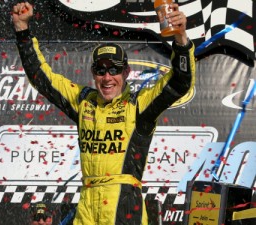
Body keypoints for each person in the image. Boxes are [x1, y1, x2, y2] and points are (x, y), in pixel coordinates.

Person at [12, 2, 195, 225]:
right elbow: (41, 77)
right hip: (88, 202)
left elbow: (180, 83)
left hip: (124, 204)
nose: (107, 77)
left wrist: (181, 40)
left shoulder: (138, 104)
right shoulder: (83, 102)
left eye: (114, 69)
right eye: (100, 70)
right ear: (93, 73)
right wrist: (22, 29)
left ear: (126, 72)